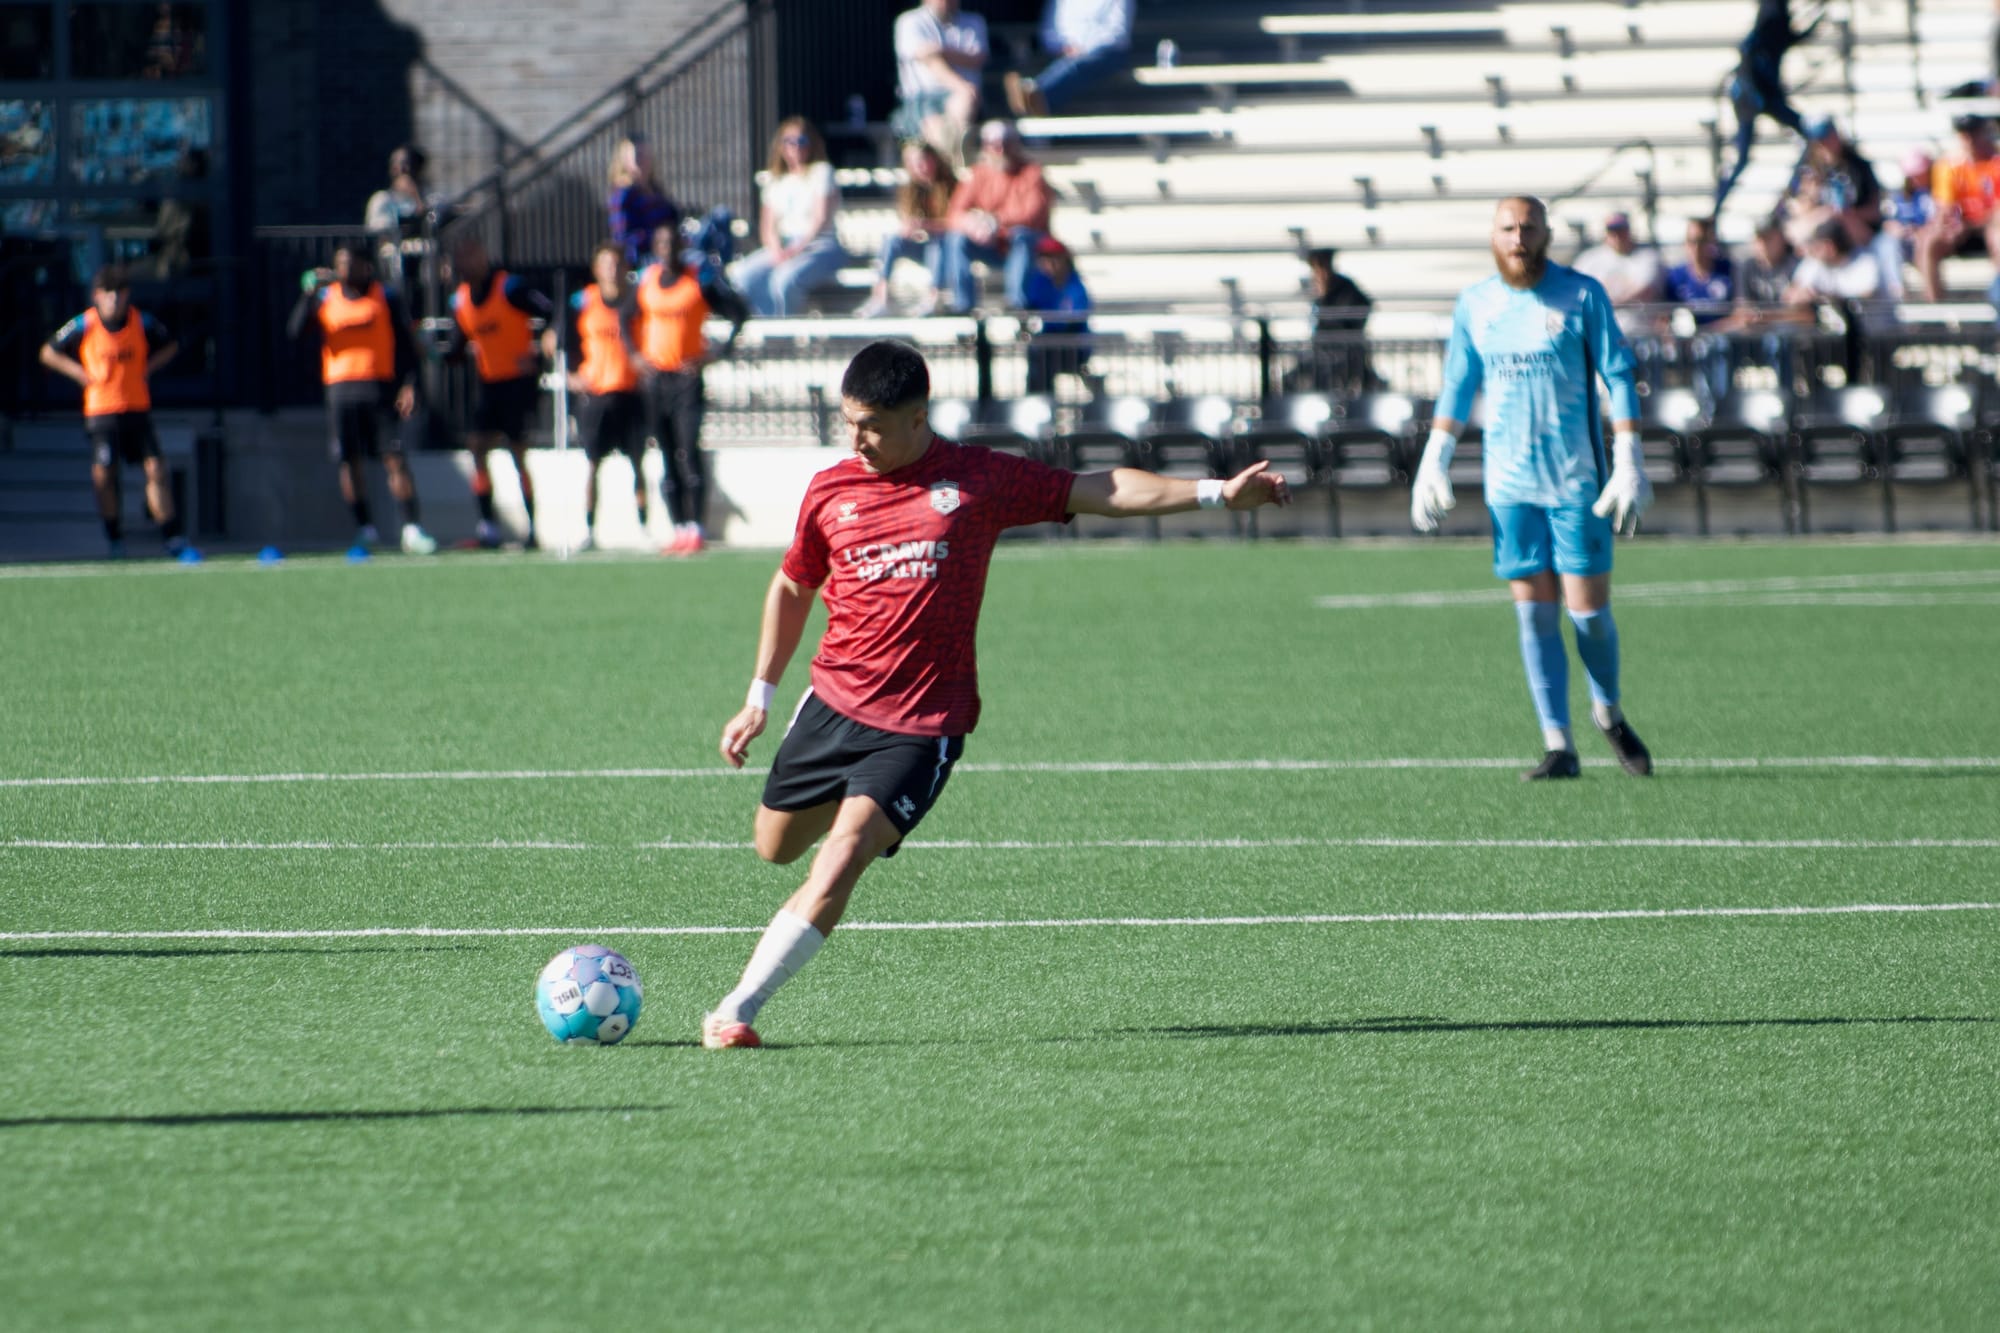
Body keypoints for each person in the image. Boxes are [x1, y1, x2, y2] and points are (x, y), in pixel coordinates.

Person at [701, 339, 1291, 1048]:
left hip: (921, 725)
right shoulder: (831, 489)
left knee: (844, 853)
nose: (856, 440)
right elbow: (795, 584)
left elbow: (1097, 489)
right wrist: (760, 694)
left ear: (918, 417)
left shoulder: (977, 478)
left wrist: (1216, 492)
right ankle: (838, 822)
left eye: (873, 426)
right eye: (849, 422)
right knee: (774, 847)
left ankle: (736, 1009)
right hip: (831, 705)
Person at [1409, 197, 1654, 782]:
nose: (1518, 237)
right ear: (1493, 236)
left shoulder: (1582, 294)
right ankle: (1558, 744)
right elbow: (1458, 383)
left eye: (1529, 227)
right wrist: (1435, 458)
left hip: (1576, 483)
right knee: (1534, 616)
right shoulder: (1475, 303)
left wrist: (1628, 456)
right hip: (1509, 487)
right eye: (1508, 228)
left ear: (1546, 234)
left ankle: (1608, 711)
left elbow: (1618, 374)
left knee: (1588, 615)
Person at [288, 244, 437, 555]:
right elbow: (296, 332)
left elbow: (407, 345)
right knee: (349, 461)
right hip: (341, 391)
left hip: (379, 388)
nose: (344, 270)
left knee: (394, 457)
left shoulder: (386, 296)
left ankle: (411, 528)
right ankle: (365, 529)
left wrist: (410, 385)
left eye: (351, 264)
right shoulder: (325, 298)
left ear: (366, 266)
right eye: (340, 264)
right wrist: (307, 294)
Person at [39, 265, 195, 561]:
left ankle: (172, 536)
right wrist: (79, 373)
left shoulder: (142, 322)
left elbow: (171, 345)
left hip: (136, 408)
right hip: (102, 411)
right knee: (104, 474)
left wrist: (148, 368)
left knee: (156, 469)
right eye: (108, 293)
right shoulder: (84, 324)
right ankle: (114, 538)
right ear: (97, 295)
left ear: (127, 295)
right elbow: (48, 352)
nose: (114, 299)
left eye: (119, 293)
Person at [446, 236, 553, 548]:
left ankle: (532, 529)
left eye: (471, 256)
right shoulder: (461, 300)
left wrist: (539, 350)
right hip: (490, 384)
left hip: (517, 383)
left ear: (482, 257)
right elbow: (457, 346)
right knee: (477, 447)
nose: (466, 264)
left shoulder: (510, 287)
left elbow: (548, 311)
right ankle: (488, 527)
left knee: (518, 453)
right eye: (461, 258)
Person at [545, 241, 646, 552]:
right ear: (596, 269)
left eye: (617, 264)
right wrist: (570, 375)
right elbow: (554, 339)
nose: (612, 270)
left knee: (638, 462)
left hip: (630, 390)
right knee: (591, 463)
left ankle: (644, 526)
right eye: (606, 264)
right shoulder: (583, 301)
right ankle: (588, 529)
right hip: (596, 393)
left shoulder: (638, 300)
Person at [635, 223, 713, 554]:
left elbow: (738, 312)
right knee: (666, 453)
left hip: (686, 379)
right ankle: (678, 526)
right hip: (657, 380)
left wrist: (712, 354)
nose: (667, 249)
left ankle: (696, 526)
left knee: (688, 449)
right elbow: (624, 317)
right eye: (662, 243)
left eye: (672, 243)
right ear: (656, 248)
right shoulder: (647, 281)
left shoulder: (698, 280)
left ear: (681, 246)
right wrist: (635, 356)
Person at [1713, 0, 1825, 213]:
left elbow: (1792, 37)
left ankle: (1790, 194)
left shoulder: (1777, 28)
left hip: (1767, 97)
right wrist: (1754, 91)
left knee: (1809, 136)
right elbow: (1746, 52)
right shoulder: (1764, 29)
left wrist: (1818, 17)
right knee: (1741, 158)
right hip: (1751, 99)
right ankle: (1716, 208)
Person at [732, 119, 845, 318]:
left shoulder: (822, 172)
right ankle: (767, 324)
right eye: (789, 141)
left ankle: (786, 330)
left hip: (819, 245)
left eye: (802, 141)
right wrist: (777, 250)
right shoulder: (776, 180)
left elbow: (820, 219)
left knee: (783, 280)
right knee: (742, 275)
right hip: (784, 245)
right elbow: (768, 227)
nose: (796, 147)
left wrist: (796, 249)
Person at [939, 120, 1053, 312]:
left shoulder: (1032, 173)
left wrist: (995, 222)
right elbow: (955, 213)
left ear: (1015, 144)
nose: (1000, 150)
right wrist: (973, 225)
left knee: (1021, 236)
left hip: (1024, 243)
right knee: (956, 239)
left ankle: (1017, 302)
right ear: (985, 146)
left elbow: (1032, 214)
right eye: (993, 144)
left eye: (1005, 143)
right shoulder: (978, 173)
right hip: (990, 243)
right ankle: (963, 303)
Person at [858, 140, 957, 318]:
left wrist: (927, 225)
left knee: (938, 243)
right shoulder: (910, 189)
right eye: (914, 163)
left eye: (923, 161)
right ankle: (880, 297)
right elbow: (907, 221)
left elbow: (956, 224)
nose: (920, 167)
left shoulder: (951, 185)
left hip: (947, 249)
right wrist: (911, 229)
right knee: (891, 240)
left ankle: (933, 298)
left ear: (934, 160)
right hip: (923, 245)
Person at [891, 0, 988, 167]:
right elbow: (927, 58)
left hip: (969, 106)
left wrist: (939, 51)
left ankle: (954, 156)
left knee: (965, 101)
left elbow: (978, 58)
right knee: (939, 130)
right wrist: (961, 86)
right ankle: (954, 160)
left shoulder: (974, 21)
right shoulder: (909, 21)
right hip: (922, 99)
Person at [1915, 114, 2000, 301]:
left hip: (1989, 225)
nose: (1969, 140)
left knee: (1998, 235)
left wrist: (1976, 222)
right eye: (1964, 135)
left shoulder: (1995, 162)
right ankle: (1934, 302)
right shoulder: (1949, 166)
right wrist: (1950, 224)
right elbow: (1945, 206)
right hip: (1962, 227)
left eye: (1973, 134)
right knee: (1929, 241)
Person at [1004, 0, 1136, 117]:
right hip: (1068, 54)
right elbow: (1050, 32)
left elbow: (1117, 33)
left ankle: (1037, 93)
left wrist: (1085, 49)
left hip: (1108, 53)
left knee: (1081, 63)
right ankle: (1035, 97)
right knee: (1073, 63)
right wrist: (1064, 46)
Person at [1663, 217, 1737, 403]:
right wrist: (1674, 335)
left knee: (1716, 345)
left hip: (1723, 338)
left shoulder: (1728, 271)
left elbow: (1741, 314)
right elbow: (1663, 316)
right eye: (1691, 241)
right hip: (1686, 343)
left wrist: (1706, 332)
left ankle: (1718, 406)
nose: (1696, 247)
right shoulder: (1676, 277)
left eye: (1702, 241)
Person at [1298, 246, 1376, 393]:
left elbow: (1361, 308)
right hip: (1322, 350)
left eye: (1321, 267)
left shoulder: (1345, 288)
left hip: (1344, 349)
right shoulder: (1317, 288)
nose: (1319, 274)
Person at [1021, 235, 1090, 393]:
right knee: (1038, 358)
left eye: (1053, 257)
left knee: (1045, 356)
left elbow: (1075, 319)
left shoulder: (1075, 285)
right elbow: (1032, 308)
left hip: (1073, 348)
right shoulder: (1039, 282)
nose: (1048, 263)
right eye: (1044, 258)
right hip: (1047, 346)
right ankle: (1039, 399)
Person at [606, 136, 680, 272]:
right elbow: (622, 238)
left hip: (668, 251)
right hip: (641, 259)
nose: (642, 161)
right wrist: (657, 237)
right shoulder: (623, 195)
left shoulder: (656, 190)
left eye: (645, 155)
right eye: (637, 156)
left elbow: (672, 220)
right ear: (625, 160)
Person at [363, 145, 433, 290]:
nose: (402, 170)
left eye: (408, 164)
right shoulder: (382, 200)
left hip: (425, 261)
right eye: (397, 164)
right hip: (393, 259)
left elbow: (435, 223)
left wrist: (416, 197)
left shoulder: (430, 199)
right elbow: (379, 232)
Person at [1785, 217, 1885, 305]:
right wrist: (1804, 295)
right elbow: (1792, 293)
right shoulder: (1814, 263)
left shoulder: (1865, 262)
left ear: (1830, 247)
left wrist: (1828, 298)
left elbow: (1867, 295)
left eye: (1817, 247)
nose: (1813, 251)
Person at [1883, 149, 1937, 263]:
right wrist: (1896, 229)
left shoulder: (1936, 194)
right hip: (1903, 241)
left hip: (1925, 239)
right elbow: (1887, 221)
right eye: (1912, 175)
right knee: (1887, 243)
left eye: (1919, 174)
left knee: (1925, 243)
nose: (1915, 179)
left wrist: (1920, 231)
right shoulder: (1898, 197)